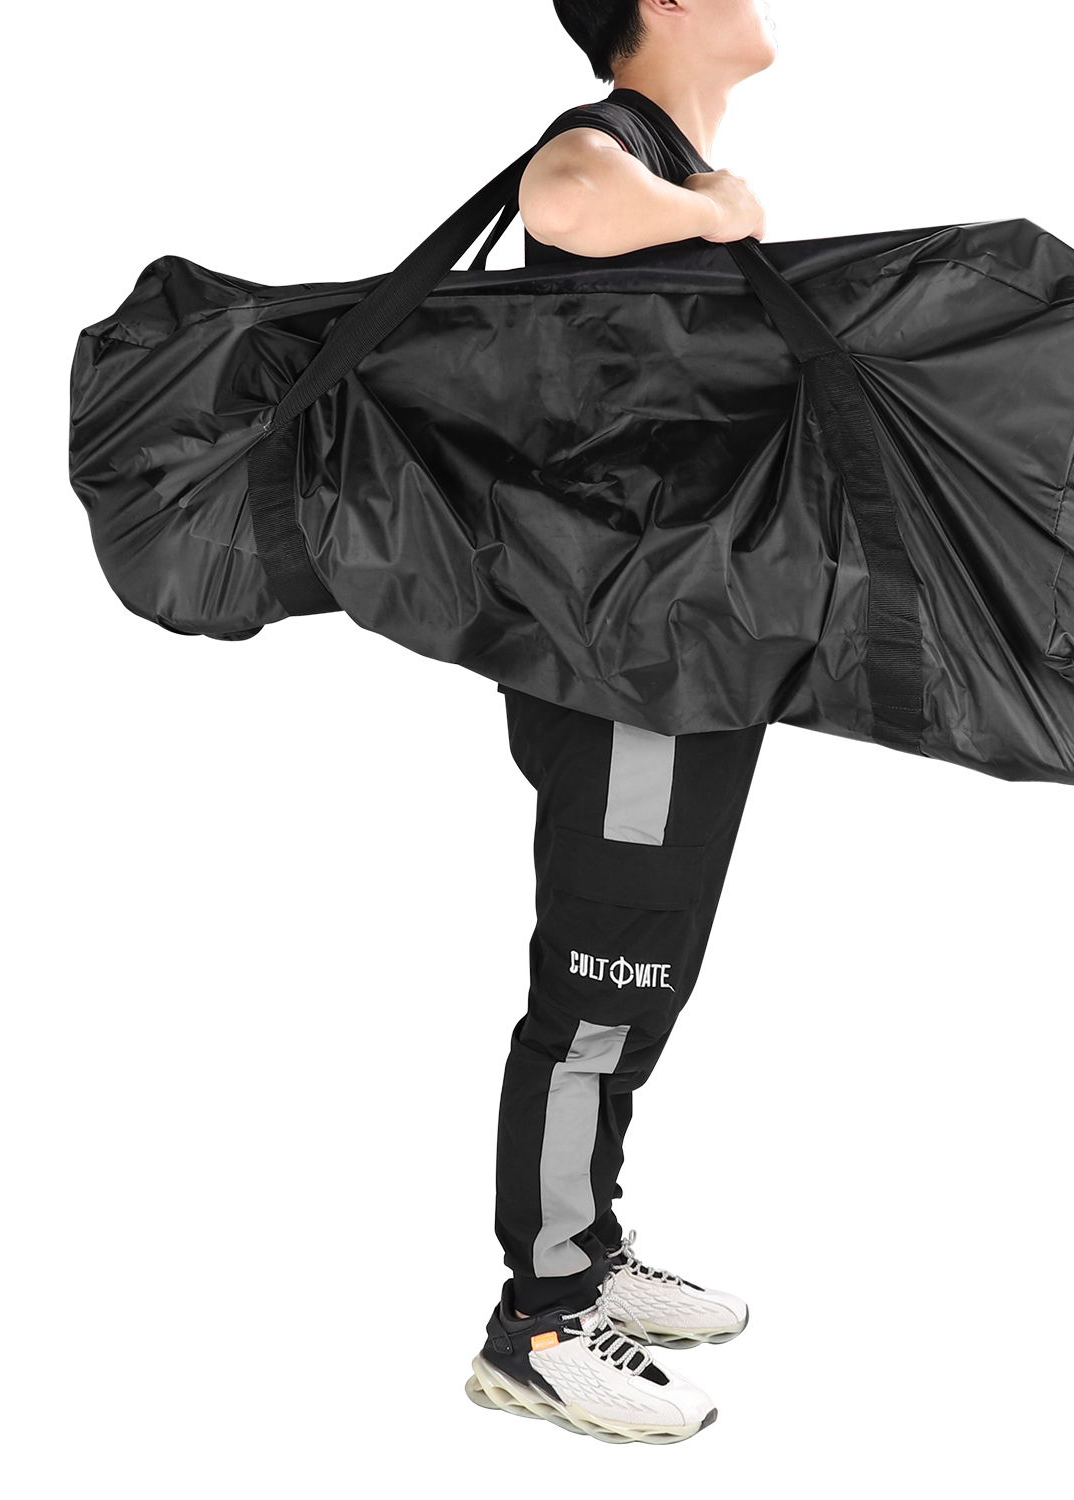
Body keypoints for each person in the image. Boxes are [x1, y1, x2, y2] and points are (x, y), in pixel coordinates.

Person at [464, 0, 778, 1448]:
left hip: (686, 656)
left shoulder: (669, 159)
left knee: (643, 981)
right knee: (599, 994)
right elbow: (564, 198)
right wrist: (717, 210)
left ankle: (586, 1246)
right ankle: (538, 1324)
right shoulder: (609, 144)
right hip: (629, 670)